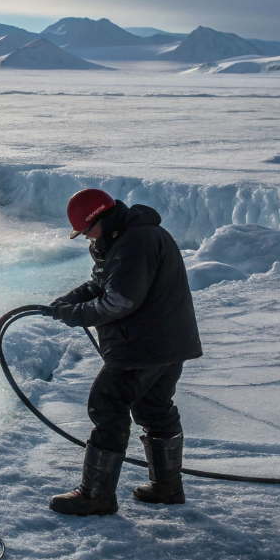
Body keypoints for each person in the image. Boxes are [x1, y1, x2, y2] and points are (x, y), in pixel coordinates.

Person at [42, 189, 202, 516]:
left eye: (86, 230)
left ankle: (96, 496)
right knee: (153, 407)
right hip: (167, 343)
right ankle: (167, 487)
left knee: (107, 404)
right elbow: (103, 284)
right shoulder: (123, 237)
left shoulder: (135, 243)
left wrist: (76, 315)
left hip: (144, 347)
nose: (86, 237)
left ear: (99, 218)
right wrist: (67, 302)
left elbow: (119, 301)